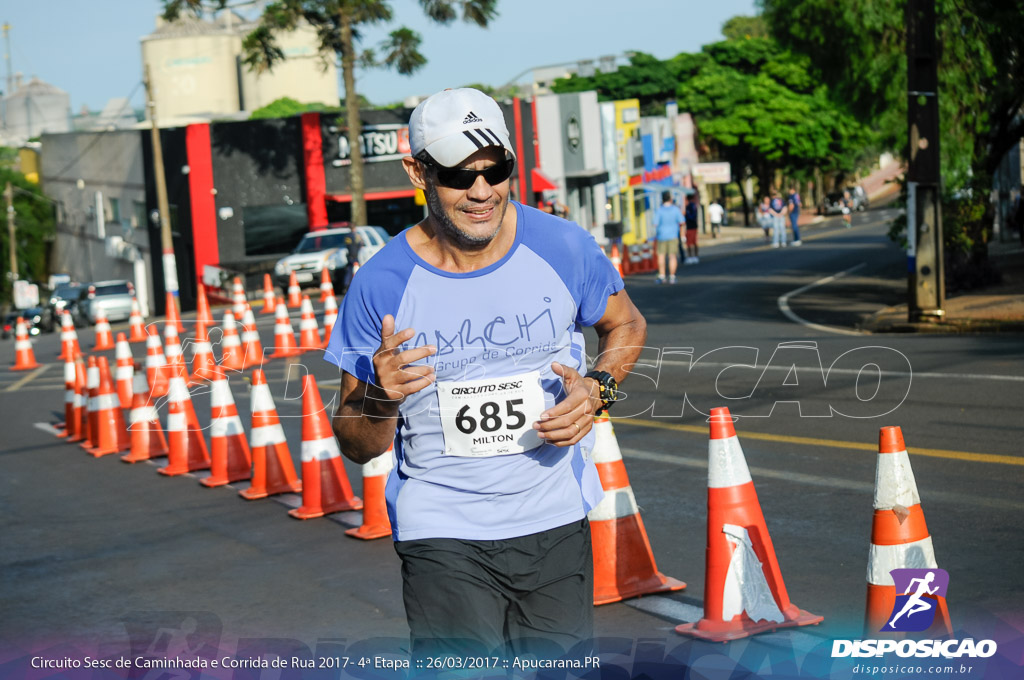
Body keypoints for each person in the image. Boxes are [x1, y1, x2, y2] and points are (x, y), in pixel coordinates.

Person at [326, 87, 646, 660]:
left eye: (495, 170)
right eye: (457, 174)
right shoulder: (381, 283)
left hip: (554, 520)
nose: (481, 192)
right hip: (440, 528)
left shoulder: (563, 247)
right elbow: (355, 442)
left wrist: (599, 390)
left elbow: (626, 326)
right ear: (417, 172)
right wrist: (382, 396)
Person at [652, 191, 683, 283]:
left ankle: (662, 275)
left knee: (661, 256)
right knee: (672, 256)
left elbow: (655, 224)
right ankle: (672, 276)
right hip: (673, 236)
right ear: (670, 198)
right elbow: (682, 222)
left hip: (661, 236)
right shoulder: (675, 209)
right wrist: (682, 235)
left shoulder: (659, 210)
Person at [684, 193, 700, 263]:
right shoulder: (693, 206)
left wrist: (686, 216)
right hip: (693, 226)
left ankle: (692, 256)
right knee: (693, 242)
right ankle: (695, 256)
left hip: (690, 226)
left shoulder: (690, 206)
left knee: (690, 243)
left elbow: (691, 216)